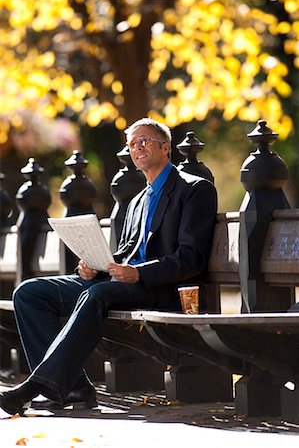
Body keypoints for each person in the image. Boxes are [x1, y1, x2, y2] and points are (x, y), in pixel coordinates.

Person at [0, 118, 217, 416]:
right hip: (120, 284)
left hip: (159, 287)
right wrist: (95, 266)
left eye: (145, 141)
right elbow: (127, 252)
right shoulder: (138, 200)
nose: (137, 147)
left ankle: (40, 384)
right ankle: (74, 388)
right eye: (132, 144)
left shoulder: (194, 189)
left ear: (166, 148)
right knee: (29, 293)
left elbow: (191, 257)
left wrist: (140, 273)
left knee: (97, 295)